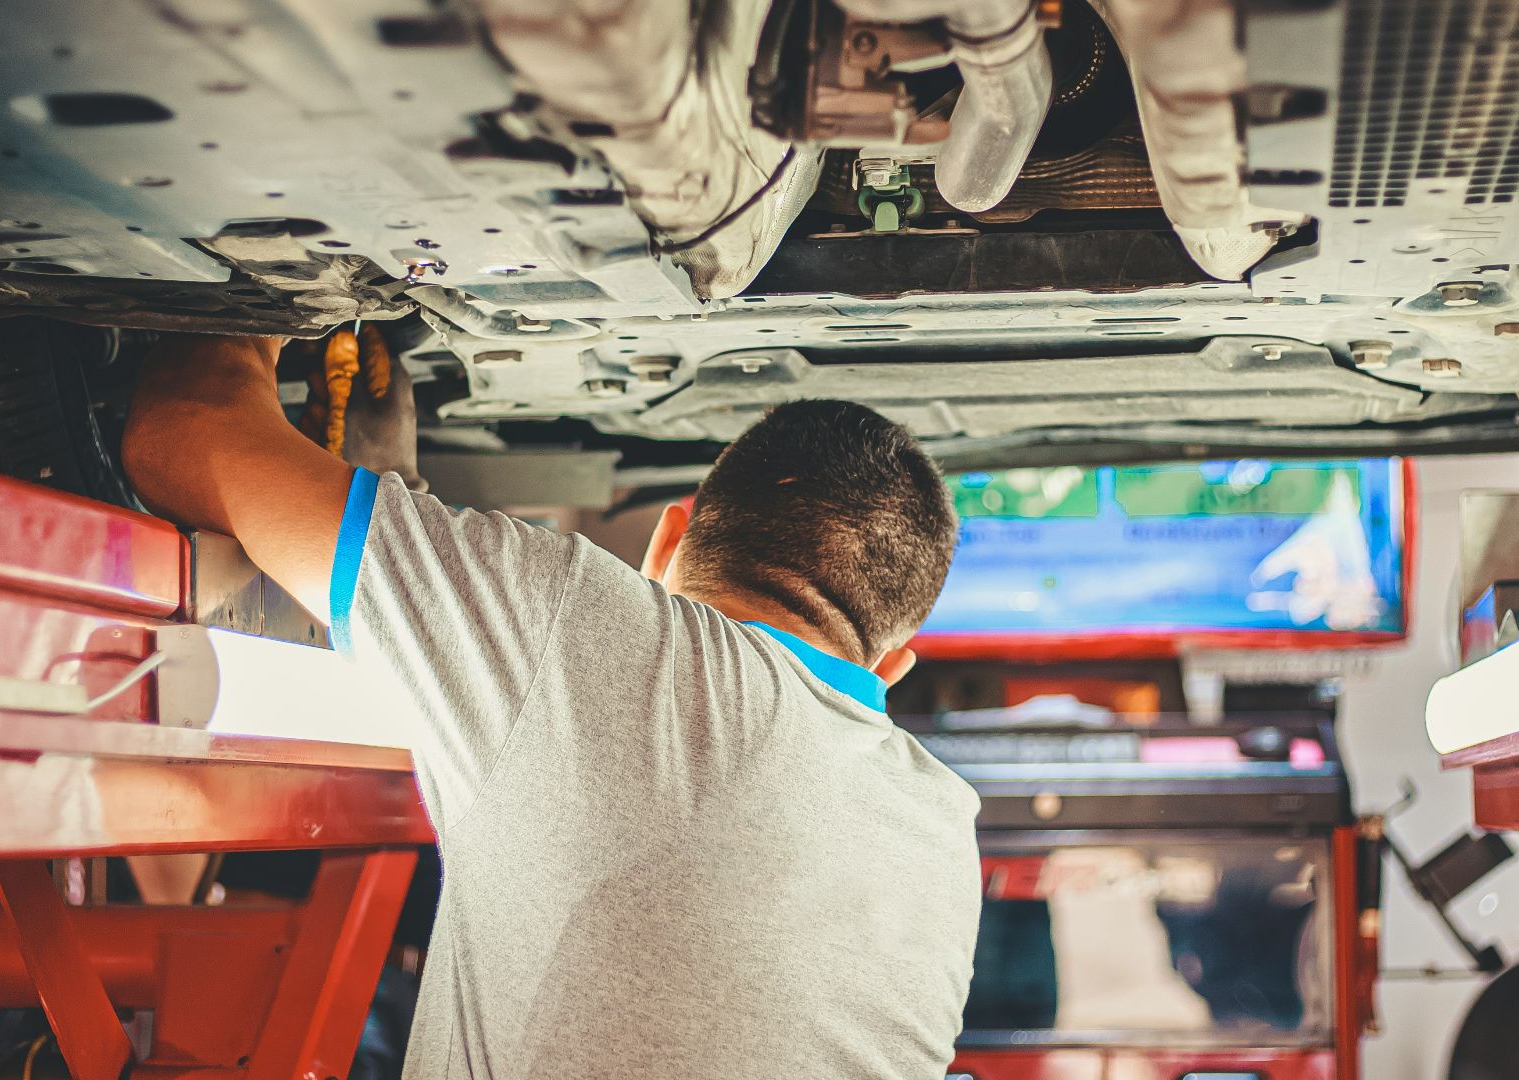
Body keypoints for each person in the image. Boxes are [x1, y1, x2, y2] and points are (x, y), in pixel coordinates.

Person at [122, 334, 982, 1080]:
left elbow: (184, 431)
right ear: (891, 667)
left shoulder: (594, 632)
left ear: (667, 542)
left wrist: (278, 300)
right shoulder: (943, 832)